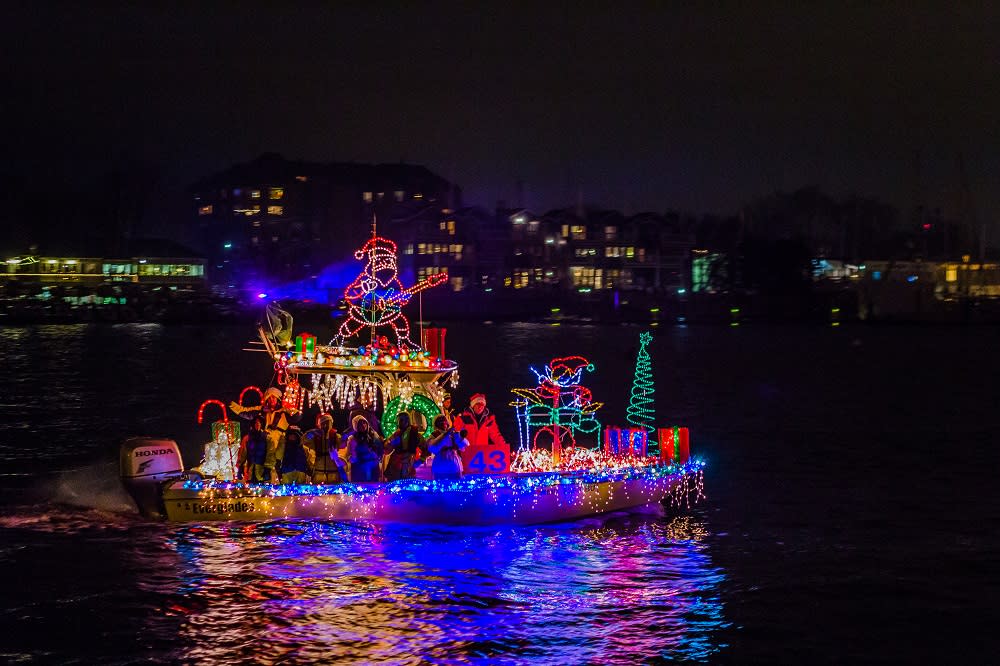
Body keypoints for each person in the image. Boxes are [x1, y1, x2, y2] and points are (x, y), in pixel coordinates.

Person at [305, 413, 345, 484]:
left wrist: (338, 459)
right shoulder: (315, 438)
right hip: (319, 471)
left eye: (327, 423)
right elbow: (304, 442)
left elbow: (343, 449)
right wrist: (310, 433)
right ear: (319, 425)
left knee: (334, 492)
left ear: (331, 423)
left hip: (333, 471)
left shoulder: (337, 437)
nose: (325, 425)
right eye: (323, 423)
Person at [384, 411, 424, 482]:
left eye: (402, 420)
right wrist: (389, 443)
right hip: (396, 465)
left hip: (409, 463)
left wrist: (420, 460)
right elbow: (387, 449)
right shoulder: (396, 434)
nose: (400, 422)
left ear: (408, 420)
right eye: (399, 420)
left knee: (408, 485)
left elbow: (424, 448)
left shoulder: (415, 433)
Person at [427, 414, 469, 480]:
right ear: (436, 424)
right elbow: (432, 448)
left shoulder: (453, 433)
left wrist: (461, 437)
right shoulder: (434, 434)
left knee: (456, 486)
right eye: (440, 421)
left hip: (454, 465)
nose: (443, 423)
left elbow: (463, 447)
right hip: (440, 465)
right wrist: (445, 435)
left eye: (444, 420)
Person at [346, 415, 383, 482]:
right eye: (360, 424)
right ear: (356, 426)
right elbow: (350, 455)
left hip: (373, 466)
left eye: (364, 422)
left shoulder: (374, 435)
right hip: (359, 467)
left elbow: (379, 451)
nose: (363, 425)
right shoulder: (352, 439)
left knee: (373, 487)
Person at [236, 415, 269, 482]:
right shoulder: (247, 438)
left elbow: (270, 454)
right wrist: (240, 467)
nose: (258, 424)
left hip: (262, 471)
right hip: (250, 470)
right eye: (256, 422)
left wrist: (268, 469)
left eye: (259, 422)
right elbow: (243, 453)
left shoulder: (267, 438)